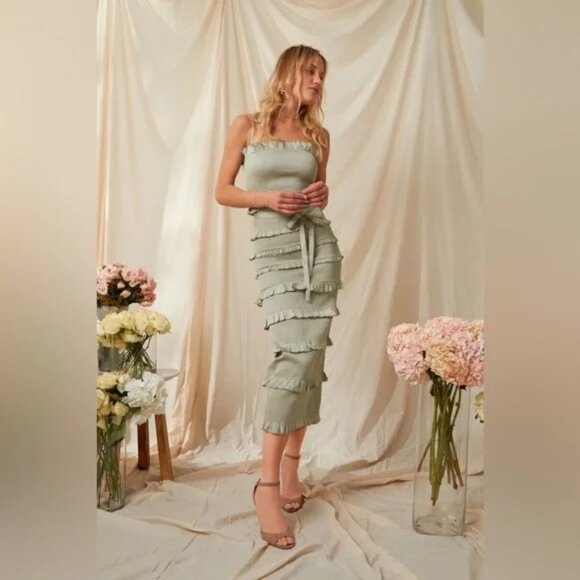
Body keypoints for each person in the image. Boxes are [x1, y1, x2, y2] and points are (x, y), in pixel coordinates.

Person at [215, 45, 343, 550]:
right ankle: (265, 487)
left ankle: (290, 470)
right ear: (288, 71)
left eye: (322, 74)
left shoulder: (319, 136)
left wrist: (321, 193)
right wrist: (266, 198)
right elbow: (223, 190)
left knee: (309, 359)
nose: (317, 79)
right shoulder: (247, 125)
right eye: (310, 70)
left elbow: (320, 189)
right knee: (293, 356)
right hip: (275, 252)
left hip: (319, 250)